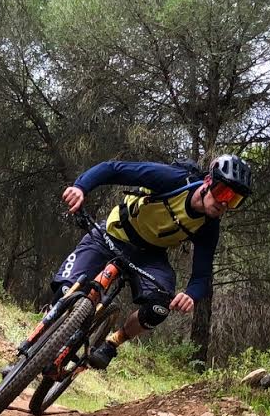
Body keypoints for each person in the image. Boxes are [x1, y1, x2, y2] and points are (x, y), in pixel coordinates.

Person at [50, 154, 252, 370]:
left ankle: (112, 343)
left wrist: (191, 295)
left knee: (159, 308)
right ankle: (39, 344)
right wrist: (81, 187)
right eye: (223, 192)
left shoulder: (209, 227)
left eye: (234, 200)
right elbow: (113, 168)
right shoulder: (173, 179)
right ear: (208, 181)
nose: (224, 203)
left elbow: (202, 275)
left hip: (150, 256)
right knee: (66, 291)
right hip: (113, 232)